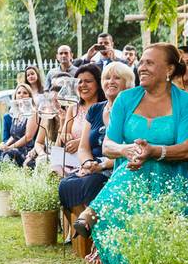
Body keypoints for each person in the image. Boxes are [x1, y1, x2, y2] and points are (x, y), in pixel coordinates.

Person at [75, 44, 188, 264]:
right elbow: (108, 145)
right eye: (141, 62)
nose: (141, 67)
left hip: (171, 173)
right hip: (130, 169)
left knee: (140, 170)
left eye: (149, 63)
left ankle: (93, 212)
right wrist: (126, 150)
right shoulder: (126, 99)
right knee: (134, 170)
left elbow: (187, 149)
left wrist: (154, 151)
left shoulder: (187, 103)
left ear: (169, 69)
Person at [58, 62, 135, 224]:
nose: (111, 81)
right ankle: (88, 231)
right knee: (66, 184)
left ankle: (95, 229)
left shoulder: (133, 111)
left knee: (91, 183)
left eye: (117, 78)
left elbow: (129, 149)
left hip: (116, 165)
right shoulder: (95, 110)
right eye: (107, 78)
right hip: (93, 164)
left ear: (128, 83)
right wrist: (87, 163)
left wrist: (101, 165)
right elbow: (83, 147)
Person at [55, 65, 105, 166]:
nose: (83, 85)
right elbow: (64, 133)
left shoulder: (105, 107)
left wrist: (80, 143)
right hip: (71, 159)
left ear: (98, 83)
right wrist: (66, 136)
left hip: (95, 160)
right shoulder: (73, 107)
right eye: (79, 82)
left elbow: (104, 136)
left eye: (88, 81)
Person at [0, 83, 38, 166]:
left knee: (9, 153)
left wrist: (11, 147)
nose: (21, 95)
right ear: (15, 96)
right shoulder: (16, 112)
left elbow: (28, 137)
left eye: (25, 93)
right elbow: (14, 136)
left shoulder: (33, 112)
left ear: (30, 97)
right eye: (19, 93)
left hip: (27, 151)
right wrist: (5, 145)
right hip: (16, 147)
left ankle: (3, 172)